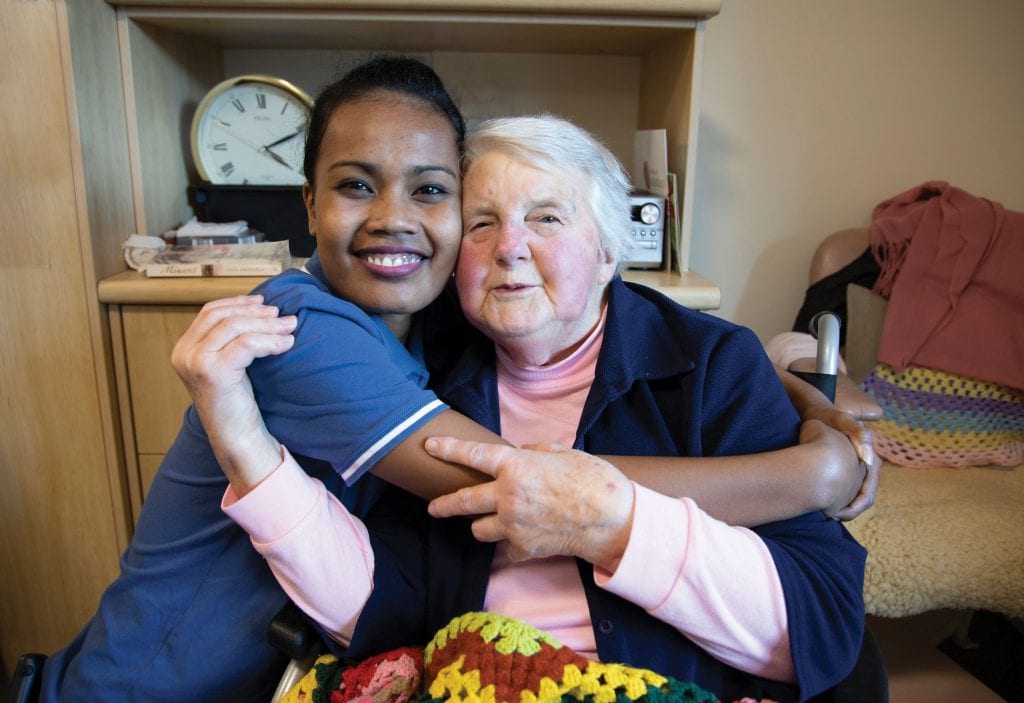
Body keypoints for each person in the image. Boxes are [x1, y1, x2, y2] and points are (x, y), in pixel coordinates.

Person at [41, 56, 868, 701]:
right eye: (484, 220)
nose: (509, 246)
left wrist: (794, 387)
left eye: (547, 216)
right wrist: (814, 471)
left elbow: (821, 617)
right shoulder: (352, 343)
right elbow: (409, 569)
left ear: (615, 250)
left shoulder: (699, 362)